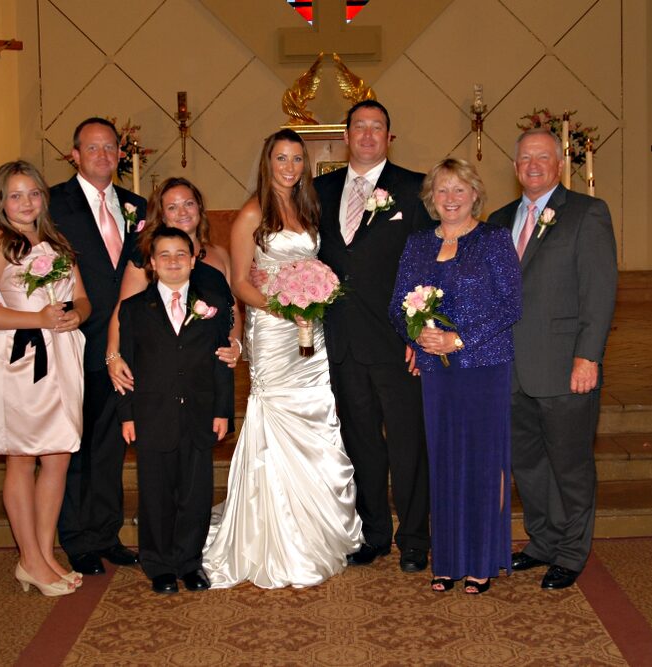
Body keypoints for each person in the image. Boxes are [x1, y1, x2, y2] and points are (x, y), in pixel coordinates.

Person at [202, 128, 362, 588]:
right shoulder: (253, 212)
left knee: (315, 418)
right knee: (276, 419)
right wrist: (284, 308)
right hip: (274, 332)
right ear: (267, 161)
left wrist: (309, 305)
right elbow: (239, 282)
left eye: (296, 159)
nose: (289, 167)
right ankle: (273, 532)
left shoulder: (307, 207)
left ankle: (315, 527)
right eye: (281, 158)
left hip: (312, 334)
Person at [487, 128, 617, 590]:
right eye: (525, 159)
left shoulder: (587, 213)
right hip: (512, 370)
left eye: (543, 157)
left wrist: (588, 357)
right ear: (515, 166)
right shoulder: (499, 220)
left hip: (565, 367)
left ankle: (571, 551)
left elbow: (599, 293)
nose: (534, 165)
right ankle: (542, 541)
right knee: (529, 465)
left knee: (571, 465)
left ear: (559, 164)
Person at [389, 158, 521, 594]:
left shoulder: (494, 240)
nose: (450, 199)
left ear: (475, 195)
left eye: (459, 190)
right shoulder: (417, 245)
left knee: (482, 464)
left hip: (483, 367)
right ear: (432, 198)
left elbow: (510, 307)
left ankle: (481, 560)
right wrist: (418, 335)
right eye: (442, 190)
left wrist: (458, 339)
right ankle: (446, 560)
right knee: (443, 462)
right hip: (435, 372)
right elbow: (397, 306)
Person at [314, 100, 432, 572]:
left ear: (389, 136)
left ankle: (416, 537)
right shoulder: (319, 189)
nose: (366, 135)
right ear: (345, 136)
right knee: (361, 442)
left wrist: (420, 331)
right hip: (342, 341)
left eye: (377, 127)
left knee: (408, 444)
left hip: (395, 341)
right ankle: (375, 532)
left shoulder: (412, 188)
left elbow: (427, 262)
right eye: (358, 127)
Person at [0, 160, 91, 596]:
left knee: (57, 456)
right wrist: (34, 318)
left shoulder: (56, 241)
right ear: (1, 201)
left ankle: (44, 552)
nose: (26, 203)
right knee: (21, 457)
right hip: (18, 363)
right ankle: (29, 560)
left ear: (44, 196)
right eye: (16, 195)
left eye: (33, 193)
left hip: (60, 357)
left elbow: (81, 297)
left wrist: (77, 313)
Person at [50, 117, 145, 576]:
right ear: (75, 154)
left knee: (111, 445)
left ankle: (106, 533)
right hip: (75, 342)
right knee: (75, 446)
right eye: (93, 148)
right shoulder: (52, 204)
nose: (104, 155)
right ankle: (76, 539)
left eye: (110, 148)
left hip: (123, 347)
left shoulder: (136, 205)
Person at [117, 226, 234, 595]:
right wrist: (127, 415)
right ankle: (159, 565)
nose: (173, 262)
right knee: (156, 494)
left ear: (193, 260)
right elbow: (127, 366)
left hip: (199, 412)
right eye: (164, 256)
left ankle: (189, 562)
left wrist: (222, 411)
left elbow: (221, 363)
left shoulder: (211, 305)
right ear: (151, 263)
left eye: (180, 255)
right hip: (152, 415)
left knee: (195, 495)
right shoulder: (134, 309)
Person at [106, 177, 242, 396]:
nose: (183, 212)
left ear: (199, 207)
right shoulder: (146, 258)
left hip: (207, 372)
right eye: (172, 207)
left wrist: (236, 344)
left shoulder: (219, 255)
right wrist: (113, 356)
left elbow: (232, 311)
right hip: (159, 370)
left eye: (188, 203)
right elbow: (122, 312)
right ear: (161, 215)